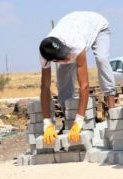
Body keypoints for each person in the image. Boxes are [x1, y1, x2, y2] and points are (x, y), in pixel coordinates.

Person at [38, 11, 116, 145]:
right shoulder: (44, 54)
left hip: (98, 26)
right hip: (76, 27)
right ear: (54, 59)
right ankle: (67, 119)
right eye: (64, 57)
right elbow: (45, 87)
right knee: (62, 77)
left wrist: (79, 122)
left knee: (101, 59)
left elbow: (84, 85)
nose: (68, 58)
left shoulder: (75, 45)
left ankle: (112, 110)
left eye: (67, 54)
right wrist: (47, 123)